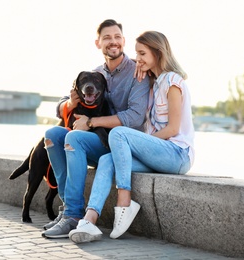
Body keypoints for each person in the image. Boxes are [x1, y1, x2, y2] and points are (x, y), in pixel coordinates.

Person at [68, 31, 195, 243]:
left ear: (158, 53)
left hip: (177, 154)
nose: (137, 58)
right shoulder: (152, 83)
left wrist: (138, 143)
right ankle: (89, 220)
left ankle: (124, 200)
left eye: (142, 53)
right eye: (136, 53)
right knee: (106, 160)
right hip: (157, 153)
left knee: (119, 133)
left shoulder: (172, 81)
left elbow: (173, 129)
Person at [41, 19, 150, 238]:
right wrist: (70, 104)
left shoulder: (137, 73)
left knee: (76, 138)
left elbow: (136, 117)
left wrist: (91, 123)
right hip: (95, 143)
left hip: (119, 146)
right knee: (52, 135)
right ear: (98, 43)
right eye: (107, 37)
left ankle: (73, 216)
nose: (113, 42)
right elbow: (60, 106)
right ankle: (67, 209)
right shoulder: (94, 74)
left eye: (117, 37)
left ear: (124, 41)